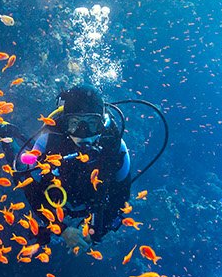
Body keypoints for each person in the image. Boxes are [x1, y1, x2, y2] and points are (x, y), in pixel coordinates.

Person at [10, 85, 132, 252]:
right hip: (56, 199)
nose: (83, 132)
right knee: (21, 163)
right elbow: (31, 189)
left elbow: (121, 195)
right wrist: (61, 228)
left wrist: (98, 230)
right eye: (74, 123)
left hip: (89, 204)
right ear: (65, 122)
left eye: (92, 123)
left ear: (102, 123)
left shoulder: (115, 146)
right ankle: (8, 137)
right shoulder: (48, 140)